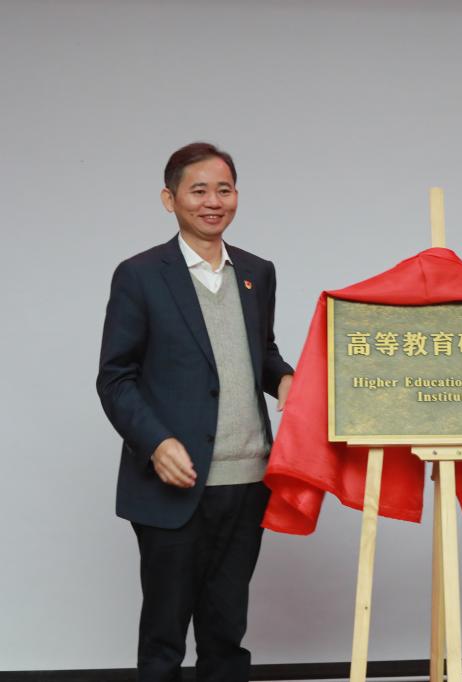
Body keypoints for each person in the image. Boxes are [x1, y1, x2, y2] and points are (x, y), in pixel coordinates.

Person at [97, 142, 294, 681]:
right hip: (175, 482)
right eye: (199, 190)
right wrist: (156, 443)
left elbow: (261, 352)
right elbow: (115, 378)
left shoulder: (257, 272)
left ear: (237, 196)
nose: (213, 202)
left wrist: (285, 379)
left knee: (226, 633)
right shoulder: (140, 275)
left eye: (224, 190)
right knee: (164, 636)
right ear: (170, 199)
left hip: (248, 478)